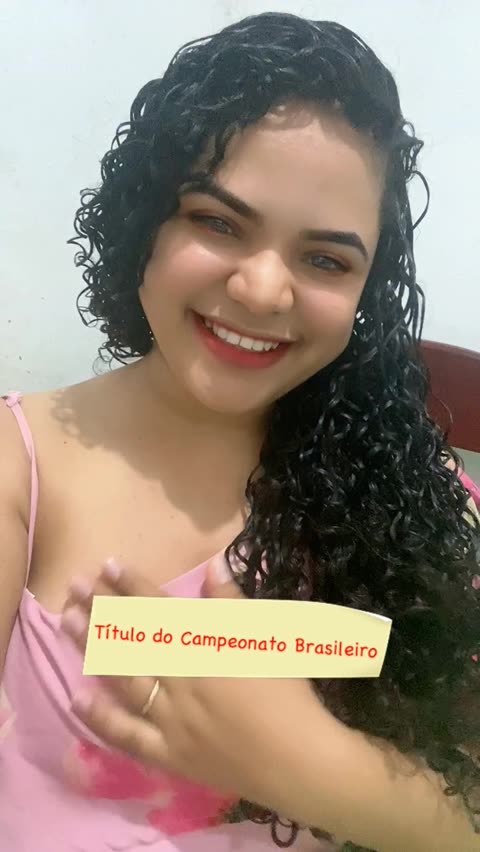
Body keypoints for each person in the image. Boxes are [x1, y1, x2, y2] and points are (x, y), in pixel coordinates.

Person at [0, 10, 479, 852]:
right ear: (145, 219)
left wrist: (317, 770)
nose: (262, 290)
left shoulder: (417, 499)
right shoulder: (21, 469)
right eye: (218, 222)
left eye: (325, 260)